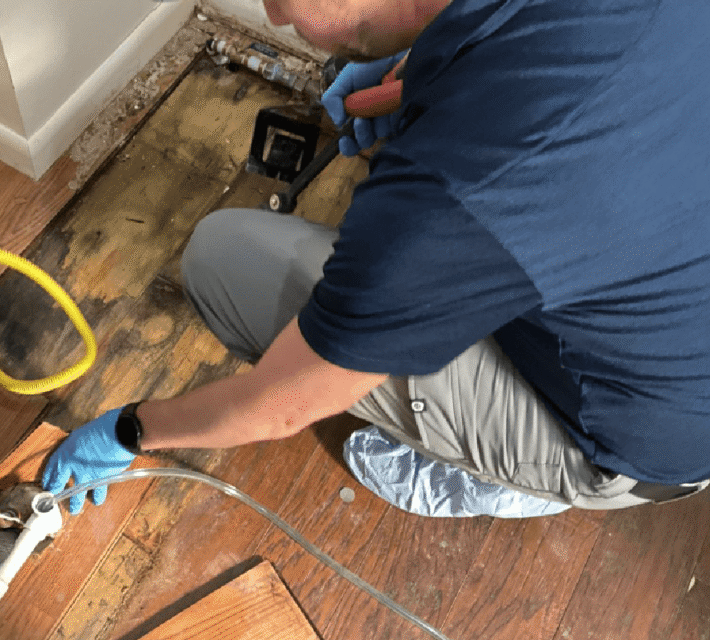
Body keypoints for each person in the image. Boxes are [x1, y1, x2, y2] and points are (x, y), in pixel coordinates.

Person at [43, 0, 710, 517]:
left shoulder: (449, 203)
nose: (275, 15)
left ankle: (524, 482)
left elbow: (279, 406)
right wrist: (424, 79)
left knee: (222, 262)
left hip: (642, 445)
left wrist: (128, 431)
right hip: (664, 293)